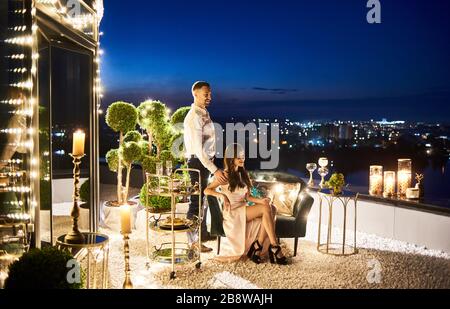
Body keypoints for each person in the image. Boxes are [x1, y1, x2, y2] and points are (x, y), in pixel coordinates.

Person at [205, 144, 288, 265]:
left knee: (272, 208)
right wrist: (222, 196)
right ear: (230, 158)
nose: (242, 159)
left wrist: (262, 200)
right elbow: (206, 190)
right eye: (239, 157)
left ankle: (258, 245)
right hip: (233, 212)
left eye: (243, 156)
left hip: (243, 208)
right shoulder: (224, 176)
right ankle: (274, 246)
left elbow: (248, 197)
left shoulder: (243, 174)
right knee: (266, 209)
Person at [183, 81, 227, 253]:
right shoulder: (193, 117)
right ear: (195, 94)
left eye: (210, 94)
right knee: (196, 202)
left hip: (205, 163)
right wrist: (215, 170)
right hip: (197, 163)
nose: (210, 97)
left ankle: (200, 234)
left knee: (203, 201)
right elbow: (200, 152)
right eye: (206, 94)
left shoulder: (204, 113)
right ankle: (192, 243)